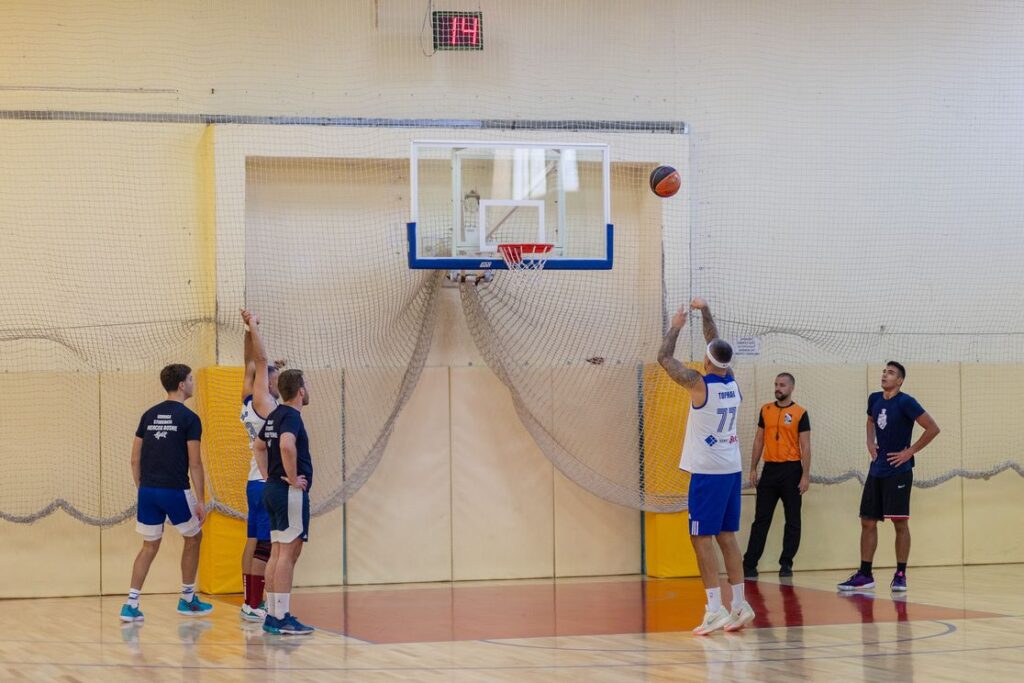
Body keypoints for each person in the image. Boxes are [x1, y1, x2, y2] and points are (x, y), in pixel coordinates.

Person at [658, 297, 755, 635]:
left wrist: (676, 326)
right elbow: (717, 344)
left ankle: (714, 609)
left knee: (700, 538)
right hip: (731, 469)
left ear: (705, 360)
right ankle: (739, 604)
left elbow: (664, 358)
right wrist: (706, 311)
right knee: (727, 537)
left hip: (708, 473)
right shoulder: (732, 383)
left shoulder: (699, 385)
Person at [120, 364, 213, 622]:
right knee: (194, 537)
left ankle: (131, 604)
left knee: (149, 546)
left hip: (147, 490)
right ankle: (187, 599)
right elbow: (195, 462)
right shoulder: (190, 418)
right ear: (182, 385)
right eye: (191, 379)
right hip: (174, 491)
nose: (193, 383)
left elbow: (134, 459)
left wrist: (143, 489)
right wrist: (201, 500)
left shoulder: (148, 415)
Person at [837, 361, 941, 593]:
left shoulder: (906, 402)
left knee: (899, 522)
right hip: (877, 469)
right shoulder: (874, 399)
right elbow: (870, 421)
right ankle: (865, 575)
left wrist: (909, 452)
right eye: (884, 371)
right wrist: (869, 442)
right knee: (867, 521)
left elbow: (933, 428)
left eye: (891, 373)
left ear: (900, 380)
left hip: (898, 471)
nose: (885, 375)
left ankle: (900, 574)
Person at [249, 319, 315, 636]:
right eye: (307, 386)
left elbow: (258, 445)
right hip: (287, 492)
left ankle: (274, 615)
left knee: (278, 552)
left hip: (272, 489)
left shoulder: (274, 414)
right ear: (300, 391)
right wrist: (291, 478)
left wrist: (269, 475)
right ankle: (281, 616)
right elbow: (287, 445)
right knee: (288, 553)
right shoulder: (291, 416)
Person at [238, 309, 285, 622]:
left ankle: (248, 602)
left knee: (254, 540)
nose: (277, 380)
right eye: (274, 377)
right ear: (264, 382)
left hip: (253, 482)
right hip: (264, 481)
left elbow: (250, 363)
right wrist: (254, 325)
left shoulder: (247, 398)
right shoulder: (262, 400)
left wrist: (246, 330)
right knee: (264, 547)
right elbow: (260, 359)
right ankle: (255, 604)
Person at [743, 372, 812, 579]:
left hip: (792, 471)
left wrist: (805, 475)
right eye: (776, 384)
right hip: (770, 470)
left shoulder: (800, 413)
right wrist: (753, 468)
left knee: (793, 520)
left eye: (782, 385)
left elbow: (806, 446)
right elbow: (759, 440)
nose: (778, 388)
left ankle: (786, 563)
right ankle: (749, 564)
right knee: (761, 519)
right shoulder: (766, 410)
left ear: (791, 388)